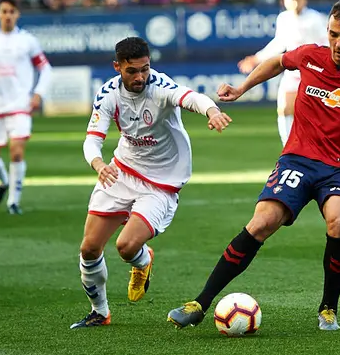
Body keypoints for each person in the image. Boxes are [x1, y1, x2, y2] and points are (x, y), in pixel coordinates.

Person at [167, 0, 340, 331]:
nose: (338, 43)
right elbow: (277, 63)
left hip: (339, 167)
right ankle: (200, 302)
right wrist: (243, 88)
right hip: (297, 160)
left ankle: (328, 308)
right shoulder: (311, 55)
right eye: (333, 34)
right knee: (261, 223)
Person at [70, 37, 232, 329]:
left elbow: (192, 98)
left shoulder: (160, 87)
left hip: (162, 182)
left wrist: (213, 111)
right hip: (121, 170)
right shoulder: (108, 94)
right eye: (132, 71)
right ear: (117, 66)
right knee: (89, 248)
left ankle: (142, 262)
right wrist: (99, 164)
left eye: (145, 69)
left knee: (125, 246)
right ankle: (100, 312)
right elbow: (92, 140)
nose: (141, 77)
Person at [0, 0, 53, 215]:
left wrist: (38, 93)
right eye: (4, 11)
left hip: (20, 105)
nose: (7, 16)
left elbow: (45, 69)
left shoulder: (27, 40)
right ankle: (4, 181)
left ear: (17, 14)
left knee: (16, 151)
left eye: (11, 12)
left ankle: (13, 202)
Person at [237, 0, 328, 146]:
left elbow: (326, 43)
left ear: (304, 0)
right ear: (284, 1)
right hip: (293, 70)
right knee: (285, 108)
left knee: (315, 113)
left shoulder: (315, 19)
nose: (294, 3)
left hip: (314, 72)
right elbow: (279, 43)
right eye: (290, 0)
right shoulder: (284, 18)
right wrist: (257, 58)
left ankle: (319, 147)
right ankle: (289, 147)